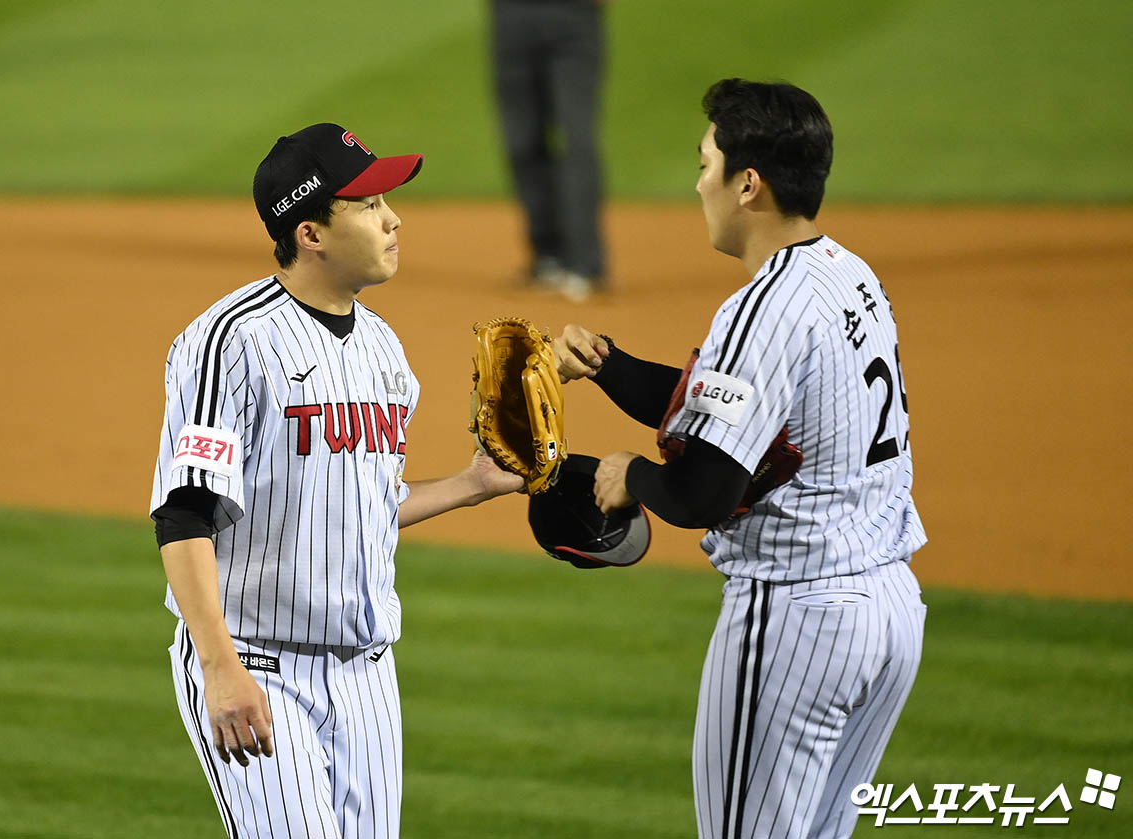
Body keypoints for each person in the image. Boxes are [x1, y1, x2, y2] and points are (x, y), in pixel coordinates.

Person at [553, 79, 928, 839]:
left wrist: (632, 476)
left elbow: (703, 493)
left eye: (705, 164)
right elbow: (737, 415)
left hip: (798, 618)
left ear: (746, 183)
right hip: (889, 610)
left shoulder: (760, 308)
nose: (698, 184)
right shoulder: (847, 274)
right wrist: (608, 365)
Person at [149, 123, 523, 839]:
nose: (393, 219)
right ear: (311, 230)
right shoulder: (231, 341)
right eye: (369, 204)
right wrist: (219, 668)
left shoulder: (385, 348)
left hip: (368, 676)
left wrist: (472, 483)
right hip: (258, 665)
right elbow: (184, 514)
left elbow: (365, 504)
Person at [491, 0, 607, 301]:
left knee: (575, 141)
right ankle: (547, 257)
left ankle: (585, 265)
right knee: (522, 141)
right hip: (511, 15)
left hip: (574, 15)